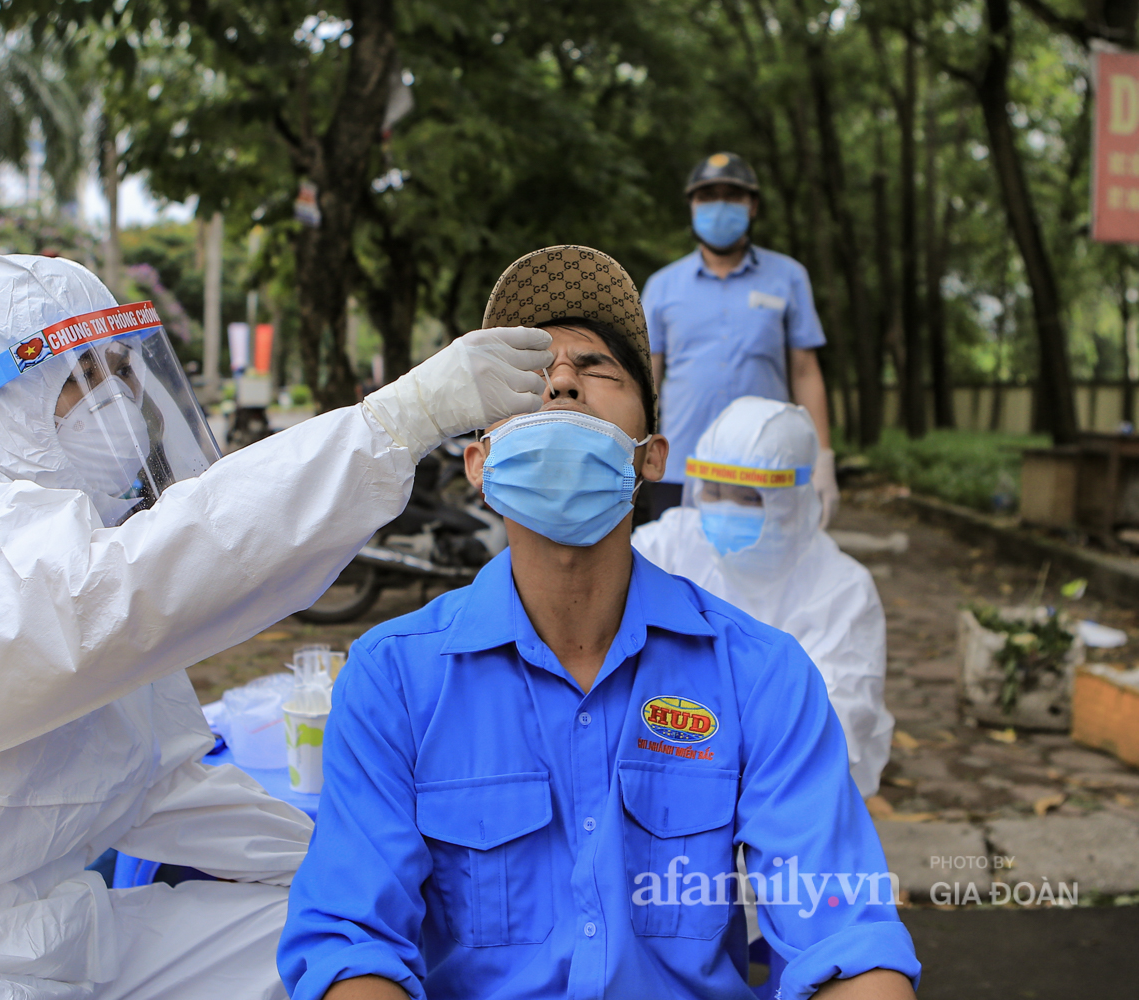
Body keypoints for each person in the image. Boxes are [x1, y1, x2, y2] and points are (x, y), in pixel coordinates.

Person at [0, 254, 554, 1000]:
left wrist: (365, 869)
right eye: (85, 375)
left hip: (47, 937)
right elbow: (128, 593)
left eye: (122, 367)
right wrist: (397, 421)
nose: (118, 397)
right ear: (0, 394)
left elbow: (161, 782)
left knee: (331, 938)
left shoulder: (62, 537)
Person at [277, 245, 919, 1000]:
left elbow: (846, 937)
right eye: (527, 370)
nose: (559, 381)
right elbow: (352, 948)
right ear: (479, 464)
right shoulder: (392, 680)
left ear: (652, 458)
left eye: (597, 368)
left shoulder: (763, 676)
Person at [633, 396, 894, 798]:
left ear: (793, 501)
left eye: (749, 498)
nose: (725, 509)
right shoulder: (668, 545)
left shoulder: (843, 591)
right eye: (714, 491)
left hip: (789, 800)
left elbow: (837, 725)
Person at [641, 151, 839, 526]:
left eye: (732, 195)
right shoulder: (662, 286)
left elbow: (805, 371)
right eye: (708, 196)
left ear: (753, 206)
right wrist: (632, 450)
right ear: (691, 206)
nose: (720, 206)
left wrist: (823, 457)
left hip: (766, 467)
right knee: (678, 577)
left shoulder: (789, 276)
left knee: (764, 579)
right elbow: (646, 378)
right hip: (681, 466)